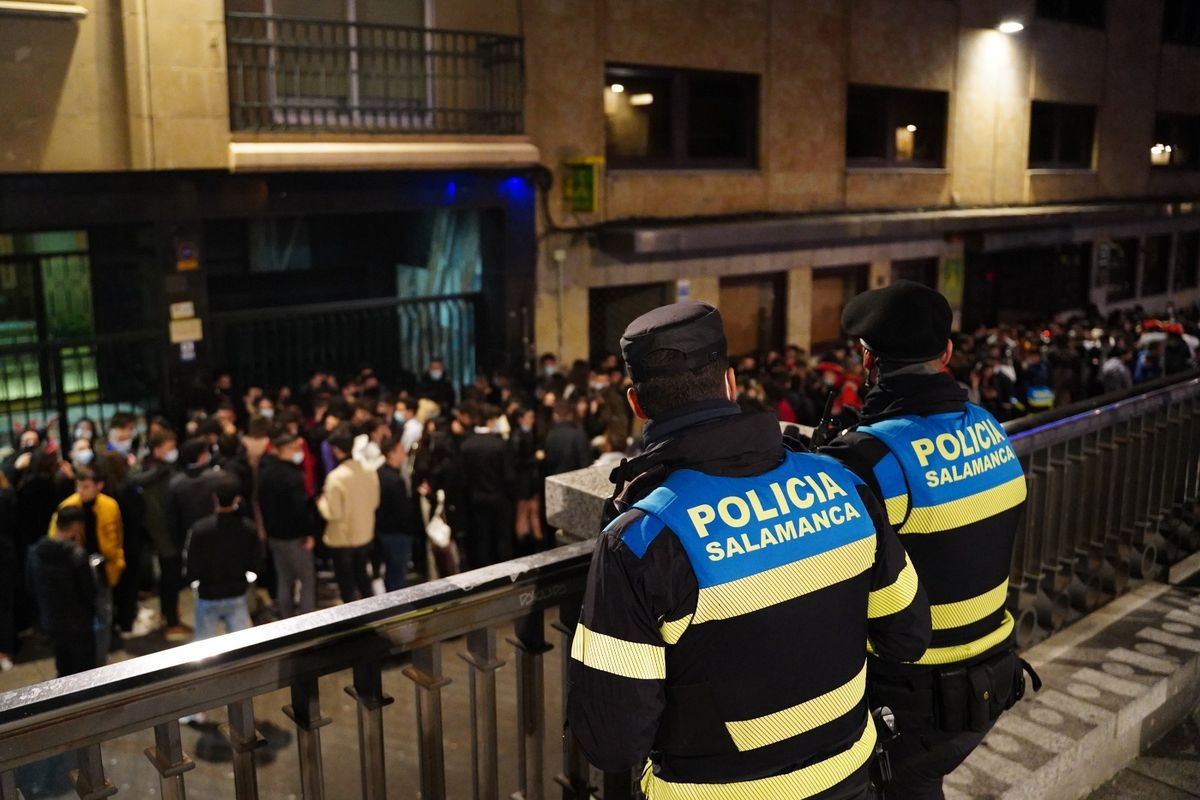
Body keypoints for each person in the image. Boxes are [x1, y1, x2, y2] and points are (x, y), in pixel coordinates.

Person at [566, 301, 931, 800]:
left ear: (637, 404)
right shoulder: (844, 483)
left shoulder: (641, 540)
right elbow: (907, 636)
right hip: (851, 778)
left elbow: (613, 744)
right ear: (732, 384)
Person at [822, 280, 1035, 800]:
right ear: (946, 353)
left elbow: (829, 578)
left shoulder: (872, 459)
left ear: (866, 359)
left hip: (914, 694)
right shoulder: (989, 427)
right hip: (989, 677)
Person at [48, 466, 124, 664]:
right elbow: (54, 539)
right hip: (77, 573)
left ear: (99, 486)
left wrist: (117, 559)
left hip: (103, 568)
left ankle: (100, 659)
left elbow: (117, 536)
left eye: (87, 486)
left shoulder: (109, 506)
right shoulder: (67, 507)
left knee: (104, 614)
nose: (82, 491)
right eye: (79, 486)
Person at [184, 476, 262, 640]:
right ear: (237, 499)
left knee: (204, 647)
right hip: (236, 592)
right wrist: (246, 580)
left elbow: (192, 563)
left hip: (207, 593)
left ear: (214, 497)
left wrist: (195, 583)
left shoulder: (200, 529)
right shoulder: (248, 528)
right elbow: (255, 561)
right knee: (239, 646)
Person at [166, 438, 226, 640]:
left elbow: (172, 520)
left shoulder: (176, 483)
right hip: (219, 539)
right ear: (202, 455)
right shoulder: (218, 478)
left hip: (191, 542)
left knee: (201, 590)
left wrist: (179, 543)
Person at [26, 507, 98, 677]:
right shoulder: (77, 554)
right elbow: (89, 592)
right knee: (86, 673)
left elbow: (30, 587)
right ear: (76, 526)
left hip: (52, 622)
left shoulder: (35, 552)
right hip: (79, 624)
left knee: (63, 668)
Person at [318, 427, 380, 603]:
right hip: (364, 534)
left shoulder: (336, 477)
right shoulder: (369, 471)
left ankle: (355, 624)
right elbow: (375, 502)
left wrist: (321, 502)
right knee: (363, 579)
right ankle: (373, 615)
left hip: (343, 539)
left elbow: (333, 513)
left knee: (347, 586)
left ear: (336, 450)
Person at [258, 433, 317, 617]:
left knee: (284, 578)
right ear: (284, 450)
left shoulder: (265, 472)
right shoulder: (292, 476)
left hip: (275, 535)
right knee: (307, 579)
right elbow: (299, 509)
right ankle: (308, 620)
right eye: (295, 448)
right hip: (294, 536)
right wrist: (309, 533)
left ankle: (287, 618)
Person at [133, 430, 185, 635]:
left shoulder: (149, 467)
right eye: (169, 448)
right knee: (171, 575)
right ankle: (171, 621)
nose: (174, 452)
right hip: (165, 532)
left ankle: (168, 612)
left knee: (168, 575)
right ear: (157, 449)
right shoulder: (158, 473)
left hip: (162, 531)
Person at [459, 404, 517, 569]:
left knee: (481, 539)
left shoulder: (466, 445)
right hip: (499, 498)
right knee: (501, 538)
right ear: (491, 421)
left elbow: (463, 478)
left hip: (476, 499)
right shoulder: (499, 445)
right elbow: (509, 476)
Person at [375, 436, 417, 591]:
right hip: (396, 533)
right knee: (396, 578)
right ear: (391, 454)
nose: (404, 453)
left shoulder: (380, 472)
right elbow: (401, 510)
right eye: (400, 450)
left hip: (384, 531)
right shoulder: (393, 479)